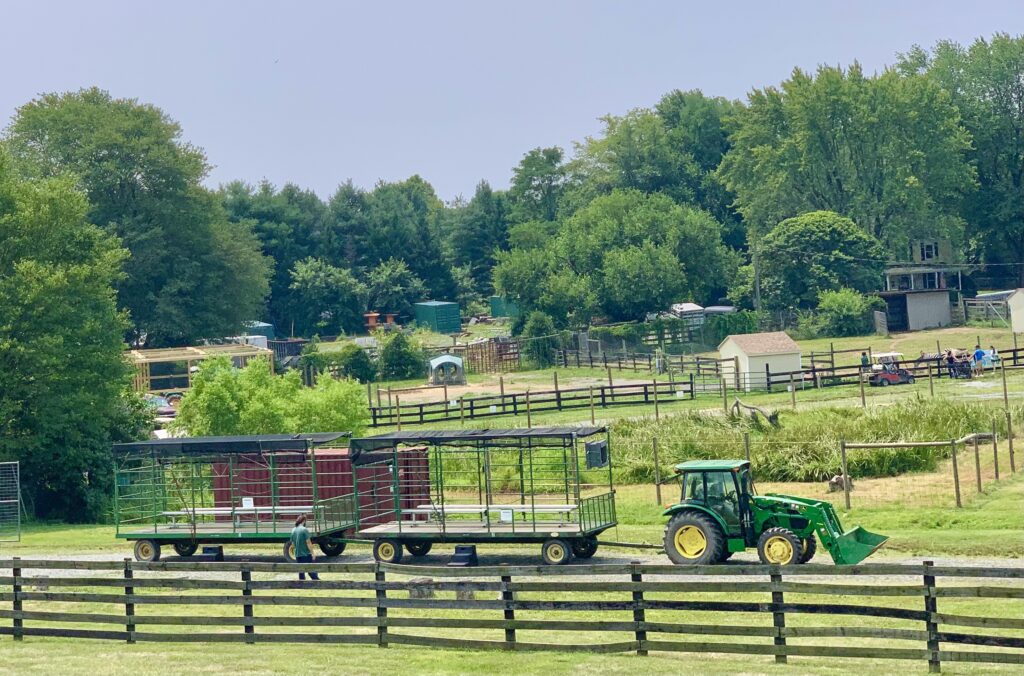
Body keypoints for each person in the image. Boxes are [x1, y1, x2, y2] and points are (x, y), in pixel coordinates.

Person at [290, 515, 319, 581]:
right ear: (304, 521)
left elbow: (293, 544)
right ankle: (318, 582)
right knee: (311, 570)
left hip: (297, 554)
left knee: (301, 572)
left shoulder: (293, 530)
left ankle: (301, 584)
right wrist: (313, 553)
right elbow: (308, 542)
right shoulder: (304, 530)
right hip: (306, 554)